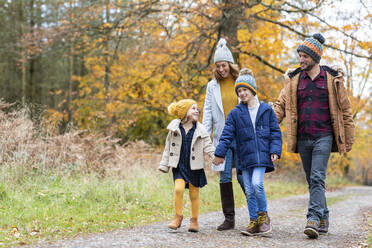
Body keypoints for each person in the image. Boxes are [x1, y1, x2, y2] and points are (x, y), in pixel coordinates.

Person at [273, 33, 355, 239]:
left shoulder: (331, 79)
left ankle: (312, 218)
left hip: (324, 136)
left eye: (305, 56)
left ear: (315, 58)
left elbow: (345, 110)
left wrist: (349, 138)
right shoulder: (293, 81)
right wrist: (266, 124)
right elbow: (280, 106)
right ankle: (324, 217)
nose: (301, 60)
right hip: (302, 138)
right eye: (300, 56)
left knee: (318, 177)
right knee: (313, 181)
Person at [213, 68, 282, 236]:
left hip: (261, 156)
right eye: (239, 91)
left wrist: (274, 150)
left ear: (252, 90)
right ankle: (253, 222)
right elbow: (227, 134)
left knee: (257, 183)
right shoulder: (235, 113)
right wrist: (219, 154)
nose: (242, 93)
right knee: (249, 190)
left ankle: (263, 217)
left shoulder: (266, 110)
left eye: (245, 89)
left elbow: (275, 132)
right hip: (245, 157)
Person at [202, 38, 245, 231]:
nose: (221, 69)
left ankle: (258, 215)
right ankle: (229, 218)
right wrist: (204, 137)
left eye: (224, 65)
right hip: (222, 138)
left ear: (230, 65)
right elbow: (208, 112)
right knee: (224, 176)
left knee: (245, 177)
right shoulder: (212, 86)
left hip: (242, 137)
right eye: (218, 66)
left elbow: (253, 105)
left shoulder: (241, 81)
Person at [158, 99, 215, 232]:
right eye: (193, 108)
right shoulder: (174, 129)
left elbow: (208, 145)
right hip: (179, 166)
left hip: (195, 167)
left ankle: (194, 220)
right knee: (178, 189)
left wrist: (216, 157)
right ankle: (178, 217)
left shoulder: (201, 129)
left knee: (194, 195)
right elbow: (167, 148)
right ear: (184, 112)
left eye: (197, 109)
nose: (197, 111)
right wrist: (164, 165)